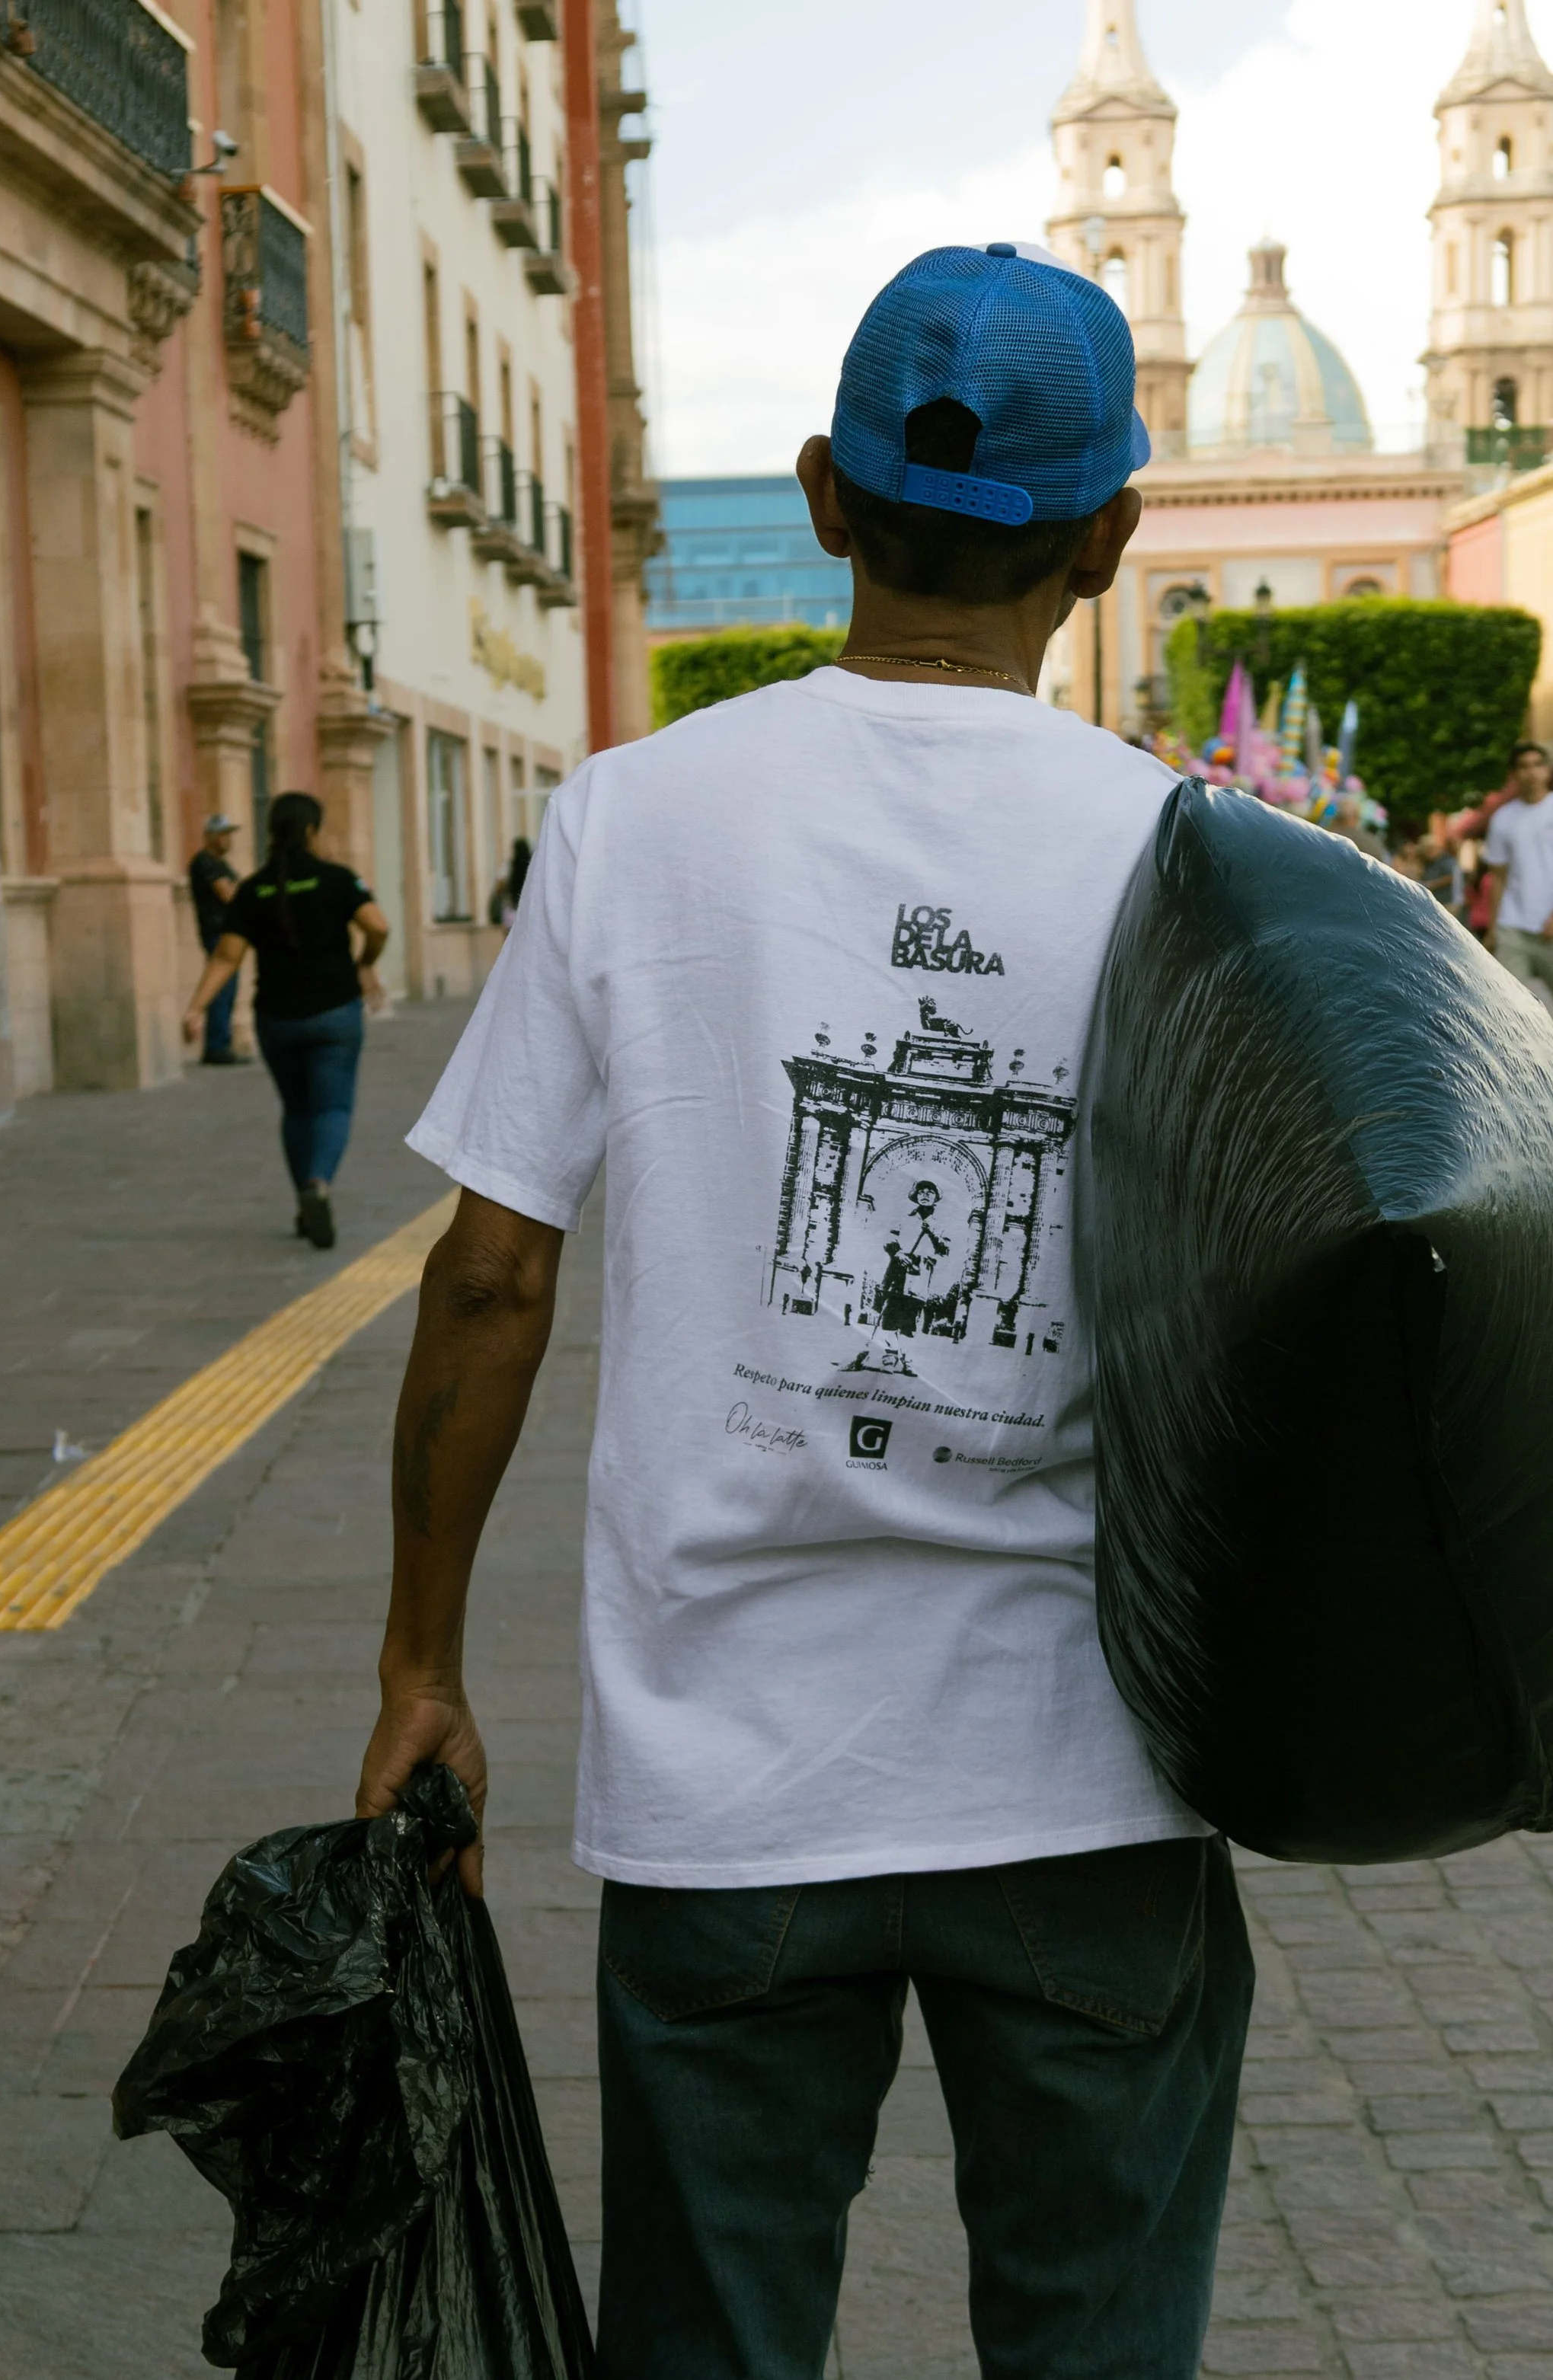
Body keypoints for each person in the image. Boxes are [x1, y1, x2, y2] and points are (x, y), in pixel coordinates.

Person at [354, 242, 1252, 2380]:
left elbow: (490, 1271)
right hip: (1090, 1774)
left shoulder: (631, 814)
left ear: (822, 499)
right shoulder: (1191, 851)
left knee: (711, 2344)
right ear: (1113, 535)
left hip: (725, 1788)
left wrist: (419, 1663)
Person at [182, 791, 388, 1248]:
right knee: (332, 1107)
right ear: (312, 831)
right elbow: (378, 925)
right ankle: (318, 1183)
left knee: (297, 1110)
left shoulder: (254, 889)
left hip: (277, 1018)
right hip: (335, 1012)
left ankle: (303, 1203)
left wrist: (196, 1008)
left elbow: (226, 956)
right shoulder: (337, 879)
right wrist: (366, 962)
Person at [1482, 742, 1553, 1069]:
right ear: (1514, 774)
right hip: (1513, 924)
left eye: (1537, 765)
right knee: (1504, 1000)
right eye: (1523, 766)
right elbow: (1498, 877)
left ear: (1547, 771)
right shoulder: (1504, 818)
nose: (1531, 772)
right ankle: (1511, 1067)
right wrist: (1492, 928)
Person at [187, 813, 247, 1065]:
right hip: (217, 933)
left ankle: (221, 1043)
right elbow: (228, 894)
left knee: (228, 990)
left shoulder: (221, 864)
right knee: (221, 989)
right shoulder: (205, 863)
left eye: (230, 834)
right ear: (210, 836)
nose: (228, 840)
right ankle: (216, 1047)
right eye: (224, 834)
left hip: (227, 933)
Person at [487, 835, 534, 931]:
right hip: (530, 911)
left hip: (511, 910)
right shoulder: (532, 867)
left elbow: (499, 886)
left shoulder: (509, 866)